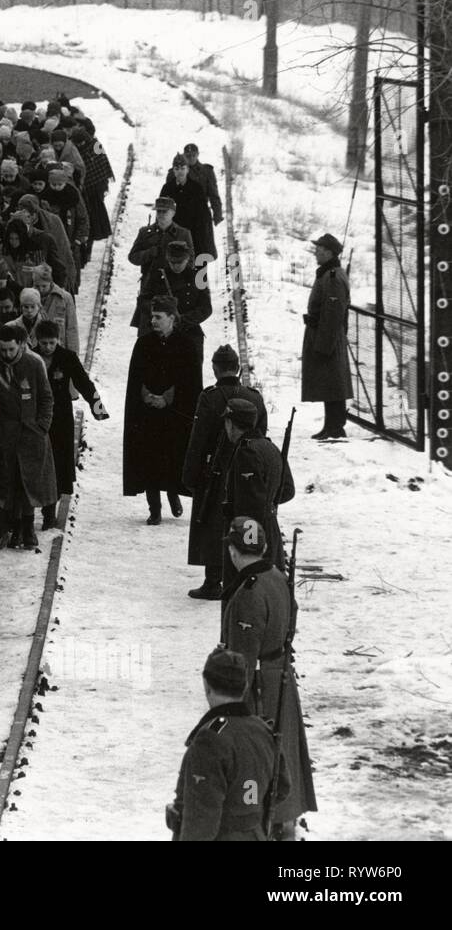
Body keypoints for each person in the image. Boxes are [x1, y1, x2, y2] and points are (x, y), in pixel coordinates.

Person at [219, 516, 316, 838]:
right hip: (280, 675)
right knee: (283, 747)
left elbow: (241, 658)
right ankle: (285, 819)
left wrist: (230, 702)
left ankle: (264, 821)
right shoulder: (276, 577)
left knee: (256, 755)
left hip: (259, 685)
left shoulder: (249, 592)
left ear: (234, 551)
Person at [166, 647, 290, 841]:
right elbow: (282, 786)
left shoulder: (210, 739)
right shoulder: (263, 729)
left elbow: (202, 819)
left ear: (206, 685)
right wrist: (249, 809)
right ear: (245, 686)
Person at [182, 346, 268, 600]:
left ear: (215, 369)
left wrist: (190, 476)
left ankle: (212, 581)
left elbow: (197, 441)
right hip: (248, 469)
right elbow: (262, 434)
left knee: (212, 523)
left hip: (215, 474)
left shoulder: (209, 398)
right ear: (238, 367)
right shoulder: (255, 397)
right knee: (245, 517)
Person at [122, 298, 203, 524]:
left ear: (172, 318)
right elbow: (136, 378)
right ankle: (154, 509)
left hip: (175, 415)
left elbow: (191, 381)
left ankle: (172, 493)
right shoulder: (144, 344)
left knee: (172, 457)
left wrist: (167, 399)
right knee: (150, 459)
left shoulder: (186, 345)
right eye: (152, 316)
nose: (153, 321)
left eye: (158, 317)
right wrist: (147, 396)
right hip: (148, 413)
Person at [0, 324, 58, 549]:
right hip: (4, 434)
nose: (6, 355)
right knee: (9, 482)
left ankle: (28, 527)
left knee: (29, 482)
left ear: (21, 346)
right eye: (2, 350)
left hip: (31, 434)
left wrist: (42, 426)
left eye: (11, 350)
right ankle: (14, 529)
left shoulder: (34, 364)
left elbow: (46, 398)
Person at [33, 320, 109, 528]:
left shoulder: (67, 358)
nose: (48, 347)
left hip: (60, 418)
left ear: (58, 340)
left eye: (51, 343)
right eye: (44, 343)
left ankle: (50, 509)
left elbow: (83, 382)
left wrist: (97, 407)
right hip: (37, 417)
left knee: (58, 463)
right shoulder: (31, 357)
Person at [220, 398, 295, 584]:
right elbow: (287, 490)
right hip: (269, 530)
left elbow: (250, 508)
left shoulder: (246, 452)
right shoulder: (269, 447)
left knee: (247, 595)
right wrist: (270, 503)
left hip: (250, 535)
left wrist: (247, 552)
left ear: (231, 423)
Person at [301, 233, 352, 439]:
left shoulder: (332, 277)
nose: (316, 253)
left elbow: (332, 314)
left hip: (326, 335)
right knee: (329, 382)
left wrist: (324, 345)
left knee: (333, 383)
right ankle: (331, 425)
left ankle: (335, 427)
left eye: (320, 250)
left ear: (330, 253)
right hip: (323, 334)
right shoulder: (328, 273)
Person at [160, 153, 217, 265]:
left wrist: (205, 245)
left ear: (187, 170)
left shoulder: (196, 188)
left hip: (194, 237)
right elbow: (161, 212)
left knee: (196, 273)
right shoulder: (167, 188)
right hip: (174, 237)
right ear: (173, 170)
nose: (180, 172)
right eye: (177, 169)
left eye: (183, 168)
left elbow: (204, 218)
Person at [127, 197, 193, 291]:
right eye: (159, 211)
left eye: (165, 211)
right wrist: (150, 253)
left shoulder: (183, 234)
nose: (161, 214)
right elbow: (133, 257)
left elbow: (191, 261)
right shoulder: (145, 233)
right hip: (149, 287)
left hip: (175, 286)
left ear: (173, 213)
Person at [182, 143, 223, 226]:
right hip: (182, 214)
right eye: (188, 156)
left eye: (194, 155)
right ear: (184, 156)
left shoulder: (207, 171)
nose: (191, 158)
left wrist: (217, 214)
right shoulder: (176, 172)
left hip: (201, 214)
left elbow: (213, 195)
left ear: (198, 154)